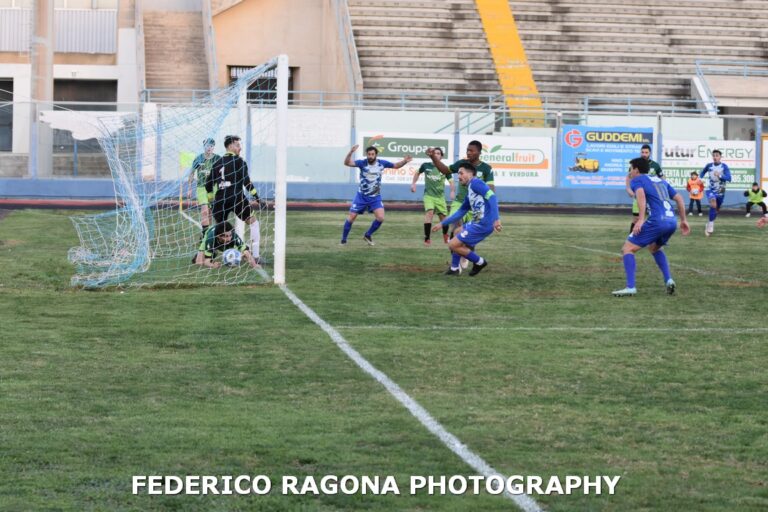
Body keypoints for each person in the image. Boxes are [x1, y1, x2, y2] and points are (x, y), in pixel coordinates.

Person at [612, 158, 690, 297]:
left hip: (657, 221)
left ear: (636, 169)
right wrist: (683, 220)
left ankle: (630, 287)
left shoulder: (638, 180)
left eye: (630, 168)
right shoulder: (660, 180)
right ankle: (669, 280)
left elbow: (640, 195)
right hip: (671, 221)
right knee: (655, 247)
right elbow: (679, 198)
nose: (630, 171)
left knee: (627, 249)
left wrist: (641, 219)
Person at [427, 140, 494, 267]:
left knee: (469, 236)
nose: (468, 153)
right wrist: (433, 157)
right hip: (460, 202)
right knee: (456, 227)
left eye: (471, 150)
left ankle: (467, 257)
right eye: (467, 150)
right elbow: (445, 170)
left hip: (476, 207)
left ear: (479, 152)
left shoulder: (486, 168)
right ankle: (455, 264)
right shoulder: (461, 164)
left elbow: (491, 190)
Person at [433, 162, 502, 276]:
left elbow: (492, 197)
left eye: (461, 173)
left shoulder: (476, 183)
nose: (458, 176)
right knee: (457, 231)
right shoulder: (470, 190)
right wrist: (442, 224)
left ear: (470, 174)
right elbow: (461, 212)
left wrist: (497, 219)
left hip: (483, 224)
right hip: (477, 222)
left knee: (453, 245)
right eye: (458, 174)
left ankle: (480, 262)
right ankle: (454, 268)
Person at [205, 135, 263, 263]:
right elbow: (247, 183)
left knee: (219, 230)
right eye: (237, 145)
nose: (240, 148)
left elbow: (208, 185)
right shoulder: (239, 161)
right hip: (237, 199)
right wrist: (257, 198)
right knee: (253, 223)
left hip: (220, 201)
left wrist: (210, 201)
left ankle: (210, 254)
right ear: (230, 146)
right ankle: (256, 256)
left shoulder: (216, 163)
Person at [340, 144, 412, 245]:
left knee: (381, 218)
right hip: (361, 196)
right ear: (367, 155)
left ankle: (368, 235)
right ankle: (343, 240)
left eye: (372, 154)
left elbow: (396, 166)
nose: (370, 156)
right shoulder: (362, 163)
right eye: (369, 154)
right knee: (351, 217)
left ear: (376, 155)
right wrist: (351, 152)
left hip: (375, 197)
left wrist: (405, 161)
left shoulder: (381, 163)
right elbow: (347, 163)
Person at [410, 147, 455, 246]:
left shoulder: (444, 168)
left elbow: (451, 181)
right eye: (435, 153)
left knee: (443, 218)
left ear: (441, 156)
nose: (436, 155)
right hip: (428, 196)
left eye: (439, 153)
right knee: (429, 213)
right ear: (432, 155)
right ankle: (427, 238)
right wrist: (413, 183)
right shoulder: (426, 165)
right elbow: (417, 172)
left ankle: (445, 235)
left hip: (440, 197)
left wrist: (452, 191)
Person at [626, 144, 663, 233]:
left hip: (651, 197)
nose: (644, 154)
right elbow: (628, 177)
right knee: (636, 218)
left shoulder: (655, 165)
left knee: (653, 218)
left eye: (646, 152)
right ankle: (631, 237)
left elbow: (662, 178)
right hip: (638, 195)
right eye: (642, 152)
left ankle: (652, 240)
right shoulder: (636, 164)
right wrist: (628, 189)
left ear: (650, 153)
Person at [194, 221, 260, 269]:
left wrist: (254, 265)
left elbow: (246, 251)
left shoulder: (234, 236)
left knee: (246, 254)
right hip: (209, 239)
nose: (229, 238)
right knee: (199, 262)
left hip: (227, 244)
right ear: (219, 236)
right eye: (226, 236)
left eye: (230, 235)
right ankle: (212, 252)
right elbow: (206, 262)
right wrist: (212, 265)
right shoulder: (210, 239)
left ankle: (236, 254)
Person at [190, 138, 220, 238]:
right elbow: (192, 172)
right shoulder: (198, 158)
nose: (209, 148)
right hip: (201, 188)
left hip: (213, 188)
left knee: (211, 212)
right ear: (204, 146)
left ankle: (209, 232)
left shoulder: (217, 159)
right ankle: (205, 236)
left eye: (211, 146)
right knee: (204, 211)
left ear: (213, 147)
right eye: (207, 146)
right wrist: (189, 188)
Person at [699, 149, 731, 236]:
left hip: (721, 190)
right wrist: (700, 179)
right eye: (714, 155)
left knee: (716, 210)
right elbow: (702, 172)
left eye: (717, 155)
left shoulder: (724, 166)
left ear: (720, 157)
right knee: (713, 203)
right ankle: (710, 225)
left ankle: (709, 222)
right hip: (711, 189)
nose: (715, 157)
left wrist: (720, 175)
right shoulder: (709, 166)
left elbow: (729, 178)